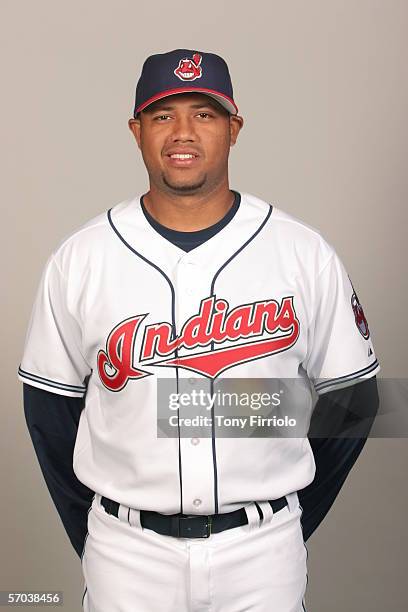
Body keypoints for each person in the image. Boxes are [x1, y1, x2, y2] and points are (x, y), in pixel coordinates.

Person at [19, 49, 380, 612]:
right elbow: (48, 411)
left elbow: (355, 398)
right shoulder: (82, 258)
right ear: (136, 130)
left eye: (204, 114)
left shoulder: (301, 253)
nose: (182, 132)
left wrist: (285, 520)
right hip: (125, 553)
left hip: (263, 553)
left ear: (234, 129)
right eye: (163, 115)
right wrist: (97, 534)